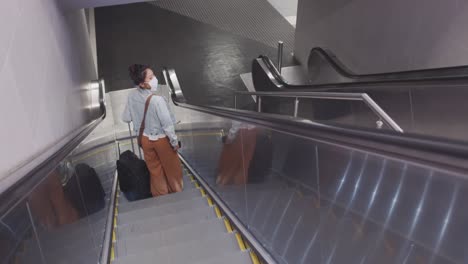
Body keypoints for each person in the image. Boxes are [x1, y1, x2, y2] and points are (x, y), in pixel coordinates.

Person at [122, 64, 183, 196]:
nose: (155, 78)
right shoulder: (158, 100)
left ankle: (161, 196)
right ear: (143, 84)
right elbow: (167, 125)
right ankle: (177, 193)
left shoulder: (131, 96)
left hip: (144, 139)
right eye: (151, 77)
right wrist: (174, 142)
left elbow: (126, 118)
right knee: (172, 168)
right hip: (161, 139)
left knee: (155, 170)